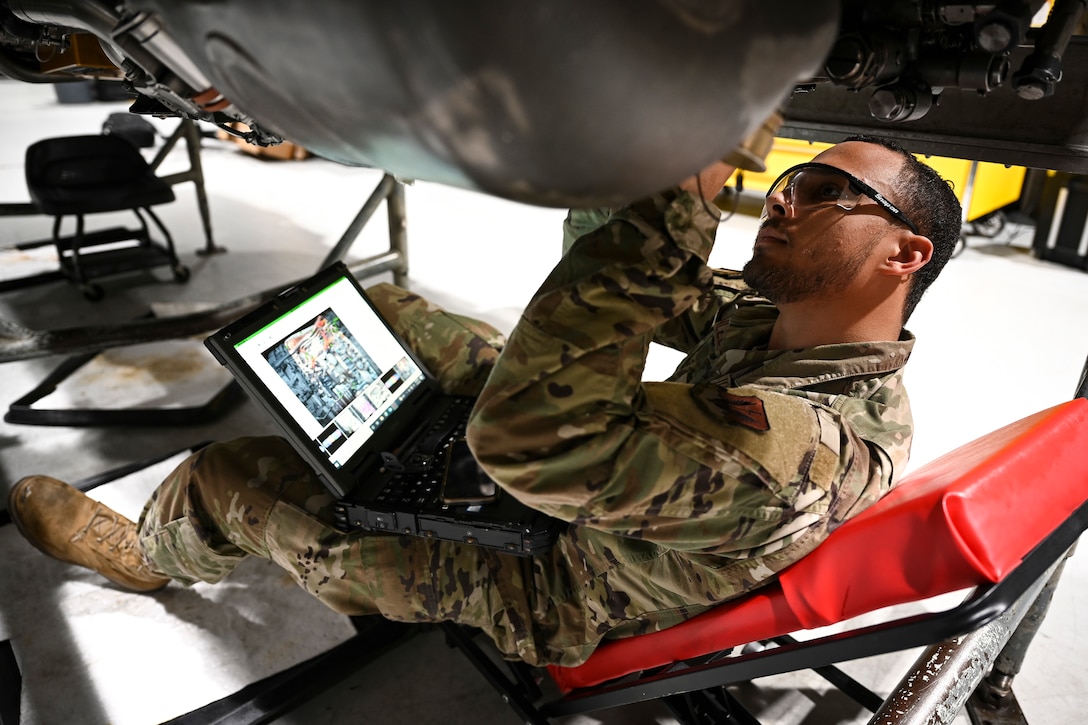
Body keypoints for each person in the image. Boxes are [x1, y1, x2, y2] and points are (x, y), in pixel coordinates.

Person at [7, 136, 961, 668]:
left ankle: (145, 554)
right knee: (396, 314)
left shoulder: (803, 447)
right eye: (793, 178)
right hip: (611, 503)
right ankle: (393, 435)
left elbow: (527, 440)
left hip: (560, 581)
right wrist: (636, 169)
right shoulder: (786, 327)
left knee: (230, 475)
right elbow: (632, 285)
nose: (787, 201)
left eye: (830, 192)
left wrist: (679, 198)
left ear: (905, 253)